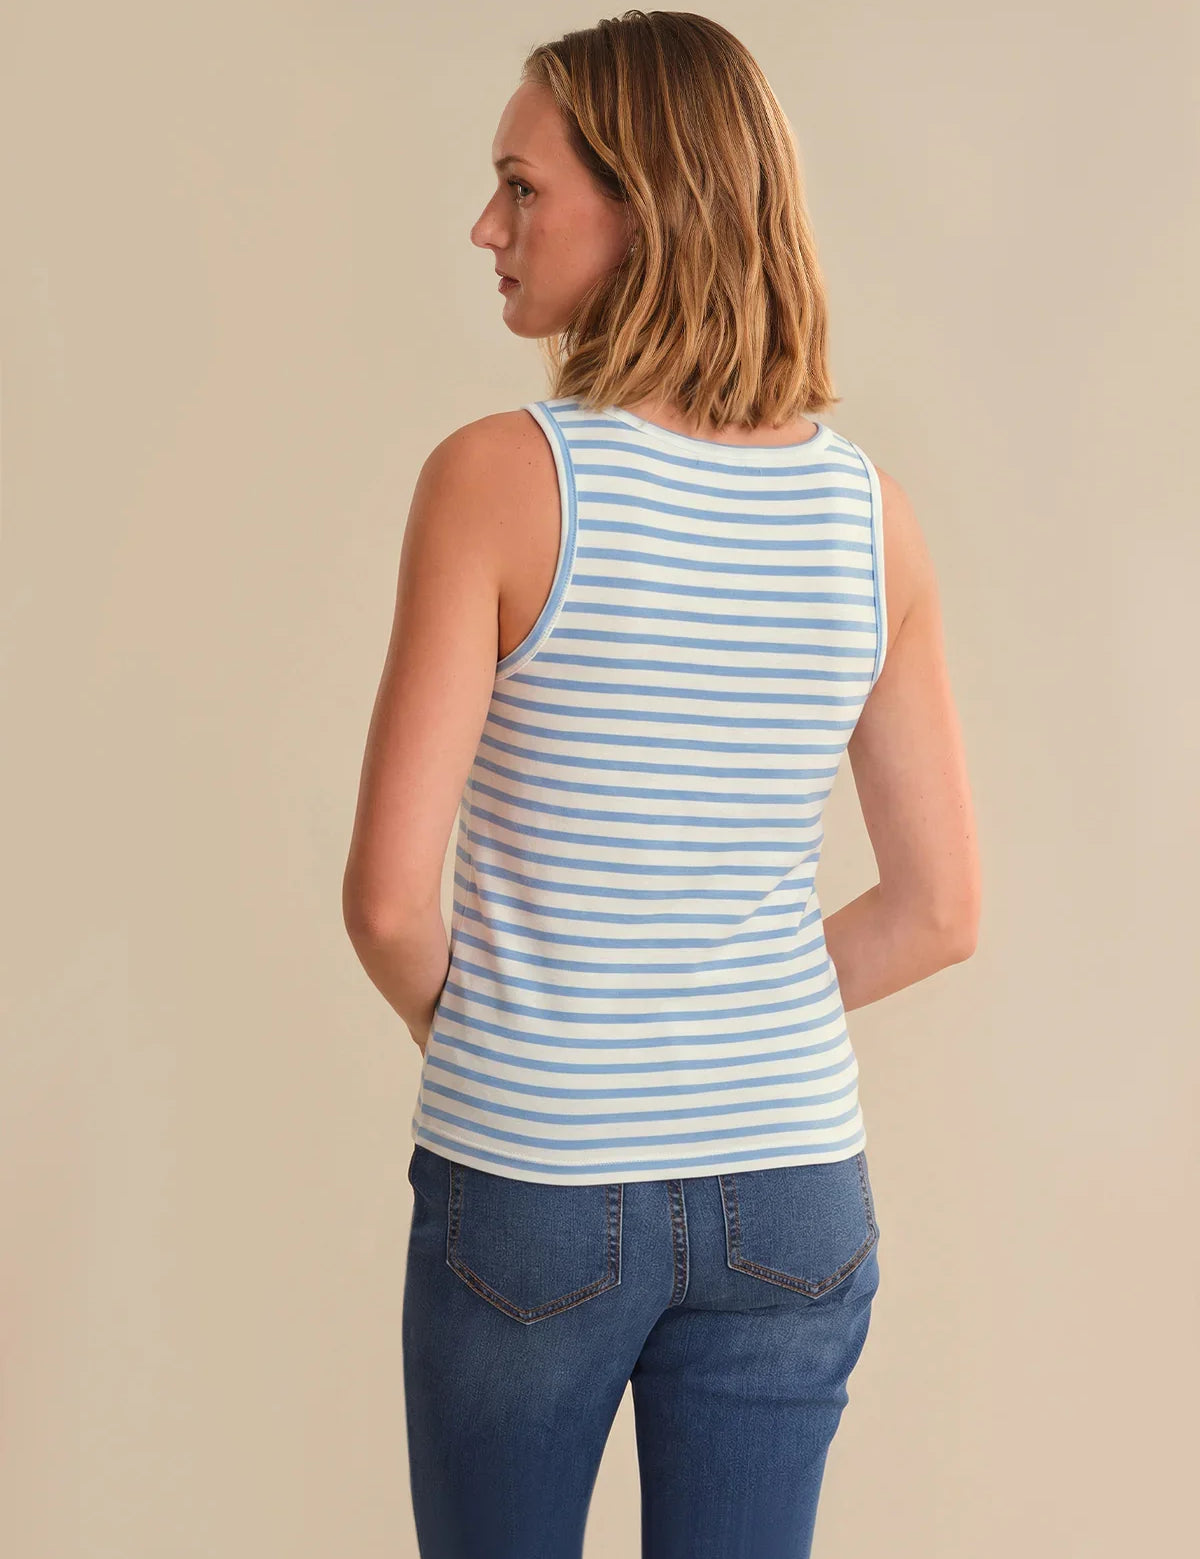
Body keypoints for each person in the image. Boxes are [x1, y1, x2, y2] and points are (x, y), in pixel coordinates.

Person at [342, 11, 980, 1557]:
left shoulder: (501, 476)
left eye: (522, 186)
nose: (486, 227)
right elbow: (940, 909)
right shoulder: (864, 514)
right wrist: (721, 1008)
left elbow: (383, 902)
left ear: (646, 204)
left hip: (537, 1184)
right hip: (796, 1190)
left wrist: (544, 1040)